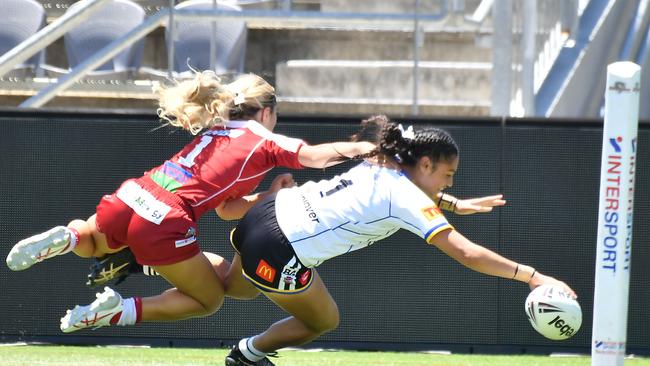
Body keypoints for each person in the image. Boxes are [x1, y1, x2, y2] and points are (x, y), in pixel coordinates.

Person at [5, 70, 379, 332]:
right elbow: (315, 156)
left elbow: (226, 208)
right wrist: (367, 148)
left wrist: (267, 196)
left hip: (134, 194)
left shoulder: (219, 130)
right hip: (167, 219)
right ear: (267, 112)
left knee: (90, 243)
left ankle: (67, 238)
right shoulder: (261, 137)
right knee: (209, 300)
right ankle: (117, 311)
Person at [219, 115, 577, 366]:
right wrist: (532, 275)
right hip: (281, 247)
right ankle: (248, 353)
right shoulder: (405, 196)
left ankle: (168, 264)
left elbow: (406, 193)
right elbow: (466, 253)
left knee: (232, 287)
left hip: (266, 216)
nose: (449, 183)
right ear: (424, 164)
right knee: (322, 321)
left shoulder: (382, 160)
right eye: (447, 174)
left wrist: (453, 203)